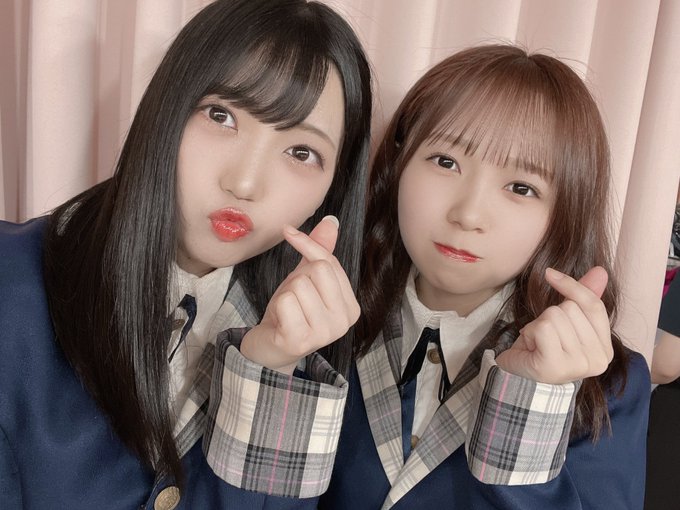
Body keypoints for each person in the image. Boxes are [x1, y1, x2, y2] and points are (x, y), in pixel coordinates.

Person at [0, 0, 372, 508]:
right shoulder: (13, 282)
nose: (244, 183)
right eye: (222, 116)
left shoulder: (305, 341)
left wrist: (270, 370)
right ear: (166, 108)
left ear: (332, 189)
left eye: (301, 152)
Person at [319, 45, 650, 509]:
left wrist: (528, 404)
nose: (468, 214)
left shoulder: (609, 382)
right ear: (398, 164)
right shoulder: (320, 321)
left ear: (563, 215)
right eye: (445, 161)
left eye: (521, 187)